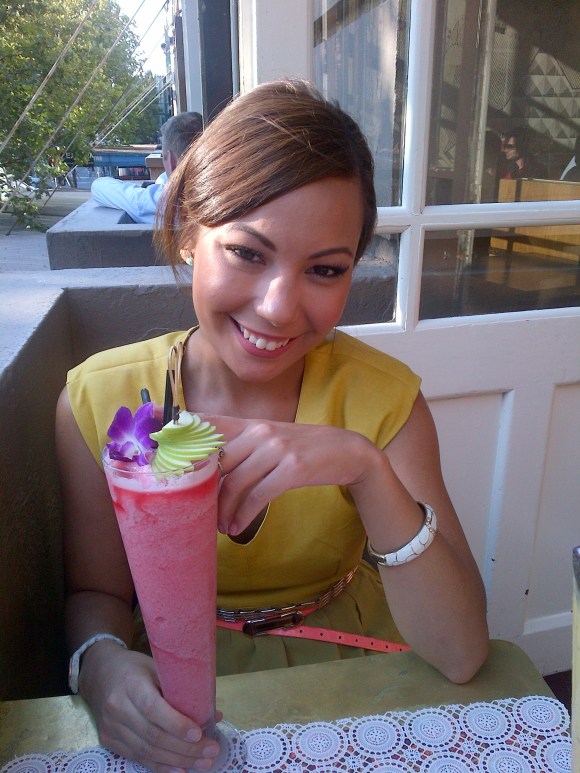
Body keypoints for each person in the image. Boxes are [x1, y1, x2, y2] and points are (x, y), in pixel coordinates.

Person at [56, 79, 489, 773]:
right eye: (248, 253)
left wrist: (364, 467)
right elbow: (97, 594)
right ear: (191, 232)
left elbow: (464, 652)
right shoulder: (101, 399)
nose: (280, 308)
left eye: (324, 269)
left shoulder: (383, 400)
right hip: (175, 681)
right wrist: (99, 664)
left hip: (356, 667)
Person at [91, 112, 203, 223]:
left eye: (163, 158)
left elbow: (98, 187)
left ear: (171, 161)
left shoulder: (162, 203)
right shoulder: (215, 196)